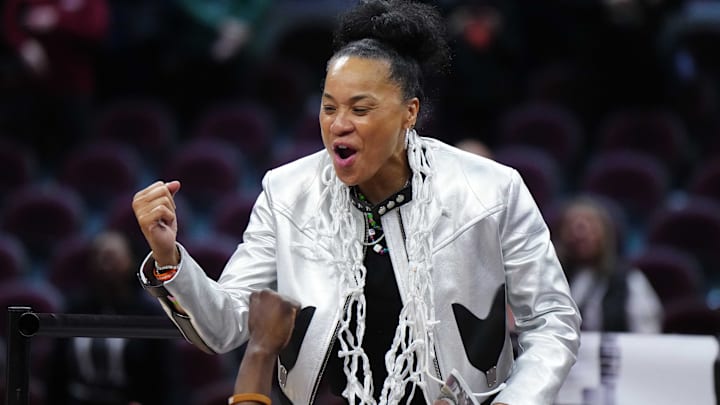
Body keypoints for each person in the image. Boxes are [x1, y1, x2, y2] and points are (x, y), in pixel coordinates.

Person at [132, 1, 581, 404]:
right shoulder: (287, 192)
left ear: (409, 112)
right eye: (329, 108)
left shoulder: (492, 189)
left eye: (360, 109)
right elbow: (226, 325)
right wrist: (169, 259)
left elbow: (552, 324)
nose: (339, 125)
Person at [46, 231, 174, 405]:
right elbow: (56, 371)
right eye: (100, 257)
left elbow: (164, 376)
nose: (106, 265)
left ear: (131, 262)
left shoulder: (149, 312)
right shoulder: (75, 308)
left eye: (112, 257)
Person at [553, 195, 663, 333]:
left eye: (590, 223)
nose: (579, 233)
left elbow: (646, 334)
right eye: (570, 225)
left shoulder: (628, 279)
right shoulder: (553, 278)